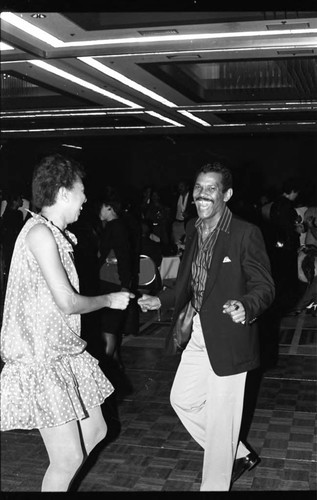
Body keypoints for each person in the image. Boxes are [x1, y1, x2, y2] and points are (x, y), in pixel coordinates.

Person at [138, 160, 275, 491]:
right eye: (198, 187)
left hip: (230, 336)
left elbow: (265, 286)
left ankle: (215, 482)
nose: (202, 194)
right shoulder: (193, 229)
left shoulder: (245, 233)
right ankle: (238, 453)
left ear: (226, 194)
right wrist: (162, 300)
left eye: (210, 189)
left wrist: (247, 305)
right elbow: (189, 281)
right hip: (198, 330)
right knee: (182, 399)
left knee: (221, 422)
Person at [0, 153, 133, 492]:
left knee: (96, 431)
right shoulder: (40, 234)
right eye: (81, 191)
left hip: (62, 352)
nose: (86, 199)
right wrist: (109, 300)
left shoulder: (53, 234)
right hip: (42, 359)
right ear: (62, 193)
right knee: (67, 458)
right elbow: (68, 302)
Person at [97, 192, 134, 368]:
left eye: (102, 206)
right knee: (109, 329)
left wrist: (125, 286)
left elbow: (124, 258)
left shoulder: (116, 227)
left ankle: (104, 371)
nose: (100, 210)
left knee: (109, 329)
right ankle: (114, 369)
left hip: (113, 283)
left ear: (109, 208)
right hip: (108, 282)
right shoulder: (112, 226)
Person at [269, 178, 300, 310]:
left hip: (278, 245)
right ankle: (288, 305)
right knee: (288, 276)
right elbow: (287, 227)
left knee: (280, 274)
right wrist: (296, 229)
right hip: (287, 245)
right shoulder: (286, 205)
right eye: (296, 192)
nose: (297, 195)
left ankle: (279, 302)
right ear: (292, 191)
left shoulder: (275, 204)